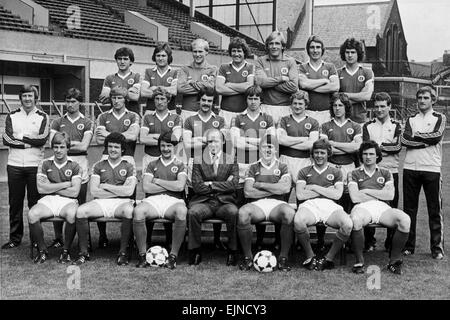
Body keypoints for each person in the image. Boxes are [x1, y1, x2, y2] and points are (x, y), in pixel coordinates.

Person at [73, 132, 137, 265]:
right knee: (80, 211)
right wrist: (119, 190)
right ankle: (83, 252)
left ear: (122, 149)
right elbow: (95, 190)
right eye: (110, 146)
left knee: (129, 211)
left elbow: (129, 192)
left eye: (116, 147)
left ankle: (123, 252)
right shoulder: (98, 165)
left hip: (122, 203)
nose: (113, 150)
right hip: (101, 202)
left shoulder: (129, 166)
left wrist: (106, 186)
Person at [348, 141, 411, 274]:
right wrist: (378, 194)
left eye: (371, 154)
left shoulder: (386, 172)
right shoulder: (353, 173)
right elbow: (355, 197)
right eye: (365, 154)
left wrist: (365, 191)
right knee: (356, 220)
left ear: (377, 156)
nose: (368, 157)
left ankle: (393, 261)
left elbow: (389, 195)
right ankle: (359, 261)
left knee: (405, 220)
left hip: (382, 207)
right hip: (362, 207)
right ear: (361, 156)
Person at [237, 134, 295, 272]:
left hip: (277, 204)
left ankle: (283, 258)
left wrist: (260, 184)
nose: (267, 150)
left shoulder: (283, 166)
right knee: (243, 213)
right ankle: (248, 258)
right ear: (260, 149)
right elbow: (248, 192)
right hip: (258, 205)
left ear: (276, 150)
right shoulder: (253, 167)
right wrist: (275, 188)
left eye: (271, 147)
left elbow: (286, 188)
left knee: (289, 213)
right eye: (264, 147)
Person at [400, 86, 446, 260]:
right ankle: (408, 246)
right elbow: (405, 139)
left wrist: (417, 137)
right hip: (410, 168)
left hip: (431, 168)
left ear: (433, 100)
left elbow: (436, 136)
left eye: (426, 98)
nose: (422, 101)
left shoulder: (439, 117)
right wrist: (423, 141)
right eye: (419, 97)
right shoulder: (411, 118)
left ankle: (437, 248)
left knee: (435, 209)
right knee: (409, 210)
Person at [2, 85, 49, 249]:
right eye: (24, 96)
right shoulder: (12, 115)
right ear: (20, 98)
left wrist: (21, 138)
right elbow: (6, 139)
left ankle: (36, 239)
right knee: (15, 203)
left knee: (34, 203)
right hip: (14, 165)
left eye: (30, 96)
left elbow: (42, 139)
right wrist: (28, 143)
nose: (27, 99)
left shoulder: (43, 116)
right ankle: (15, 239)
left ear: (35, 97)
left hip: (34, 165)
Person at [230, 85, 276, 249]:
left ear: (261, 100)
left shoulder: (268, 118)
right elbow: (236, 142)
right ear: (246, 99)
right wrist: (260, 141)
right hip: (241, 166)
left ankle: (259, 242)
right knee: (240, 205)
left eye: (256, 98)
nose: (253, 101)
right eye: (250, 98)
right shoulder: (237, 118)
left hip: (260, 167)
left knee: (259, 204)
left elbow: (270, 142)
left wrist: (248, 139)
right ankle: (239, 244)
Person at [295, 139, 352, 270]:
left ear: (328, 154)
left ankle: (329, 258)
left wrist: (313, 187)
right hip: (310, 205)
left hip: (330, 206)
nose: (319, 155)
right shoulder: (304, 171)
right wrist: (327, 191)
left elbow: (337, 195)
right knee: (298, 221)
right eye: (316, 152)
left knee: (347, 224)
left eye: (322, 152)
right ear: (312, 154)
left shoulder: (336, 172)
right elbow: (300, 195)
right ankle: (310, 256)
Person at [133, 132, 188, 269]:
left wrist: (156, 180)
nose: (165, 149)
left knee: (182, 212)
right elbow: (146, 186)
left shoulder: (180, 164)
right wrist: (170, 185)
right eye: (162, 146)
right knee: (138, 212)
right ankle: (142, 255)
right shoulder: (152, 164)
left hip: (174, 201)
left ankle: (173, 256)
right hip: (153, 201)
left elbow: (180, 186)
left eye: (169, 146)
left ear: (174, 147)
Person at [95, 86, 140, 247]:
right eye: (114, 97)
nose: (116, 100)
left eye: (120, 97)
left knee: (130, 197)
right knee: (101, 192)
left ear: (125, 99)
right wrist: (122, 136)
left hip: (128, 157)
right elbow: (100, 140)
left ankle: (129, 237)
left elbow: (133, 136)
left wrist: (110, 136)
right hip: (106, 157)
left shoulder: (134, 115)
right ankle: (102, 236)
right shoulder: (102, 116)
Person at [49, 88, 94, 249]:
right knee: (58, 202)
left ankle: (85, 240)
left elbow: (84, 146)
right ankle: (58, 238)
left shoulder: (87, 122)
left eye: (73, 101)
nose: (70, 104)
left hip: (80, 166)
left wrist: (64, 144)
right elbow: (51, 144)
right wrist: (73, 144)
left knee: (81, 205)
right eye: (67, 101)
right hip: (59, 166)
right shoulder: (57, 121)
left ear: (79, 102)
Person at [187, 129, 240, 266]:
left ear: (222, 141)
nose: (213, 144)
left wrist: (210, 184)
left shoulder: (231, 159)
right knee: (193, 213)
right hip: (205, 202)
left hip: (225, 202)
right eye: (210, 141)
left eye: (216, 140)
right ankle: (196, 251)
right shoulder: (198, 160)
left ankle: (232, 251)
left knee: (233, 212)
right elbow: (197, 186)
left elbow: (233, 184)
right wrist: (222, 185)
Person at [182, 88, 226, 248]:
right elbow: (187, 144)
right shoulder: (189, 120)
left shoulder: (220, 120)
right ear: (199, 101)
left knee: (216, 195)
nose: (206, 103)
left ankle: (216, 239)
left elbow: (221, 141)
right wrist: (209, 139)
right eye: (204, 100)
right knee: (195, 198)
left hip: (215, 162)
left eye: (210, 101)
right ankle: (195, 239)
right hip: (195, 163)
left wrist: (198, 139)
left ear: (213, 103)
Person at [29, 132, 82, 263]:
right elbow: (41, 188)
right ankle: (42, 251)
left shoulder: (75, 165)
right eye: (56, 147)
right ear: (52, 147)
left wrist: (51, 187)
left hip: (68, 201)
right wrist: (65, 184)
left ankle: (66, 251)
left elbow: (74, 192)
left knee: (71, 214)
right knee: (32, 214)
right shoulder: (45, 163)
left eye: (62, 147)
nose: (58, 150)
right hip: (48, 200)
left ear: (68, 148)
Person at [139, 87, 183, 247]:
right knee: (150, 193)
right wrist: (164, 138)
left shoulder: (176, 117)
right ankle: (148, 236)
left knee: (170, 192)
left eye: (162, 99)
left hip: (170, 158)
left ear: (168, 100)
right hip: (150, 157)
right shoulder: (147, 117)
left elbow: (176, 138)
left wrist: (156, 137)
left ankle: (170, 238)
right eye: (157, 99)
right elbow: (143, 138)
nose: (159, 102)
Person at [318, 93, 362, 250]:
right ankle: (321, 241)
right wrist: (345, 146)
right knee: (325, 201)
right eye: (335, 105)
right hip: (329, 167)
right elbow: (325, 150)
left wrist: (333, 143)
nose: (337, 108)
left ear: (346, 107)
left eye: (340, 105)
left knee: (346, 202)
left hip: (349, 167)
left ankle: (346, 240)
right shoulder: (325, 126)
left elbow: (356, 147)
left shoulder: (355, 126)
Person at [362, 92, 402, 252]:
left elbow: (397, 147)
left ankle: (390, 241)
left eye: (382, 106)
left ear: (389, 107)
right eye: (376, 106)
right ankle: (369, 241)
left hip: (391, 171)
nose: (379, 109)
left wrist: (376, 147)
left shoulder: (396, 125)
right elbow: (365, 148)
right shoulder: (367, 126)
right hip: (371, 171)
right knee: (368, 204)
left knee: (392, 206)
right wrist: (385, 146)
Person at [255, 31, 298, 124]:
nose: (274, 46)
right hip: (265, 107)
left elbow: (294, 86)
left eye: (277, 43)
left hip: (286, 108)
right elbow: (260, 82)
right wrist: (281, 79)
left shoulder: (290, 61)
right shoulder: (261, 61)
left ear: (282, 46)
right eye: (271, 43)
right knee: (267, 138)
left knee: (283, 137)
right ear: (267, 46)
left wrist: (268, 82)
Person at [278, 90, 319, 185]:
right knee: (284, 191)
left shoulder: (313, 122)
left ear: (306, 105)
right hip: (285, 159)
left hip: (304, 161)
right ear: (291, 105)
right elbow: (281, 140)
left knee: (302, 193)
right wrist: (303, 139)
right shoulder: (284, 119)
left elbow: (311, 144)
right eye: (295, 103)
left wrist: (288, 141)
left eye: (300, 104)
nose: (297, 106)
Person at [298, 35, 339, 125]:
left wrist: (310, 86)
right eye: (312, 47)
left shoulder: (330, 67)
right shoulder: (302, 67)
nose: (315, 50)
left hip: (326, 113)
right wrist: (324, 81)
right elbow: (303, 84)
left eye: (318, 47)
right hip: (308, 112)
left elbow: (335, 86)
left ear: (322, 50)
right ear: (308, 49)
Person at [216, 37, 255, 127]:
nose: (236, 54)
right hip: (225, 112)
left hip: (244, 112)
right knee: (225, 139)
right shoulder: (224, 67)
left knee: (242, 139)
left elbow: (249, 86)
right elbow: (219, 89)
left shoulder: (250, 67)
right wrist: (242, 89)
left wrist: (229, 85)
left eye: (239, 51)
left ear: (244, 52)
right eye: (234, 51)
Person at [177, 38, 218, 120]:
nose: (197, 54)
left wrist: (192, 83)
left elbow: (211, 88)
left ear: (206, 52)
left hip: (206, 114)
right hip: (187, 111)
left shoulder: (212, 69)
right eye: (195, 51)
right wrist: (204, 85)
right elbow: (180, 89)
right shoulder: (185, 69)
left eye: (200, 51)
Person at [337, 38, 374, 124]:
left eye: (353, 52)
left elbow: (366, 96)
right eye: (347, 52)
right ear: (344, 54)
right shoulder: (338, 73)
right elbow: (335, 98)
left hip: (360, 120)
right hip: (341, 120)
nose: (350, 55)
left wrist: (344, 95)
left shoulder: (367, 72)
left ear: (358, 54)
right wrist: (359, 96)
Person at [99, 47, 141, 114]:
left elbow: (135, 97)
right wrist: (127, 93)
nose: (122, 62)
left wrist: (113, 92)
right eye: (119, 59)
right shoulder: (109, 78)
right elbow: (103, 99)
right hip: (114, 115)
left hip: (132, 114)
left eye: (125, 59)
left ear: (131, 61)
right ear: (116, 60)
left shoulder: (136, 77)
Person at [140, 42, 178, 113]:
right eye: (158, 55)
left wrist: (154, 88)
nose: (160, 58)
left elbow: (174, 91)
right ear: (154, 57)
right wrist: (167, 90)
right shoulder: (148, 72)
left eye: (163, 56)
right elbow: (143, 92)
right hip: (151, 111)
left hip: (170, 111)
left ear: (168, 57)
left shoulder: (175, 72)